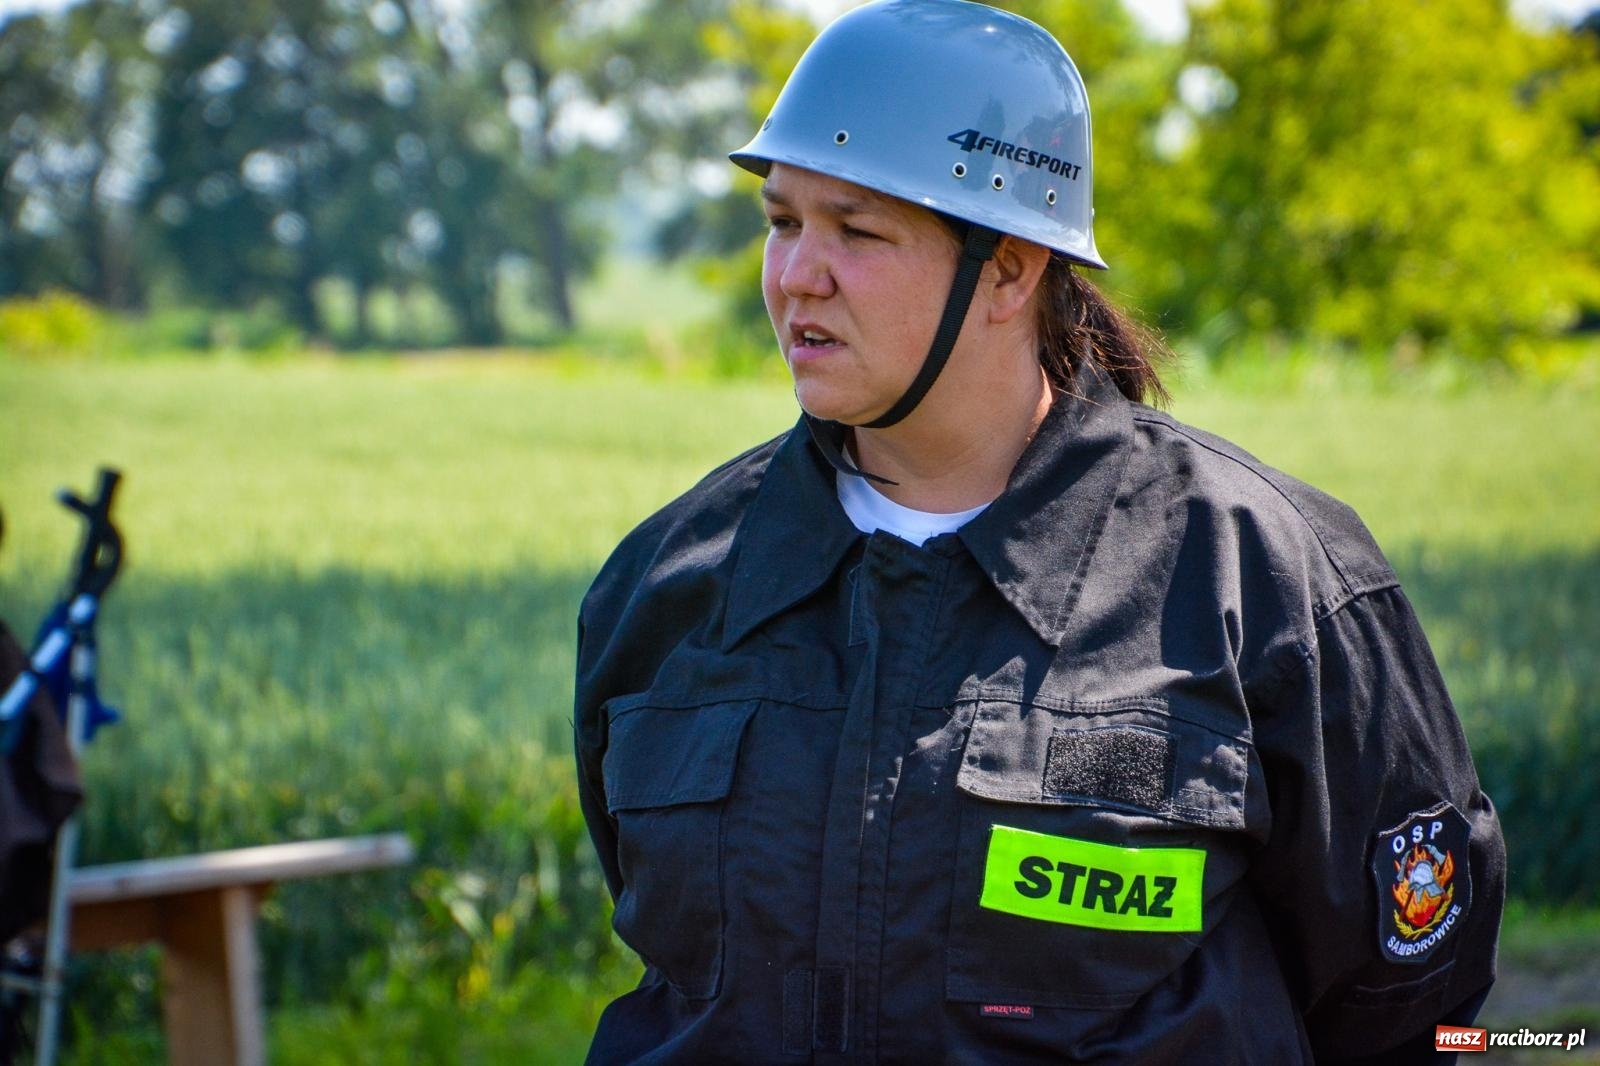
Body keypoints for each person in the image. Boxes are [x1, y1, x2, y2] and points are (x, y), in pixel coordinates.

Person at [573, 1, 1505, 1061]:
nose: (794, 278)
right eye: (782, 222)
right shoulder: (666, 583)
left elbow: (1405, 996)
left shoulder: (1265, 579)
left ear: (1010, 270)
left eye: (857, 230)